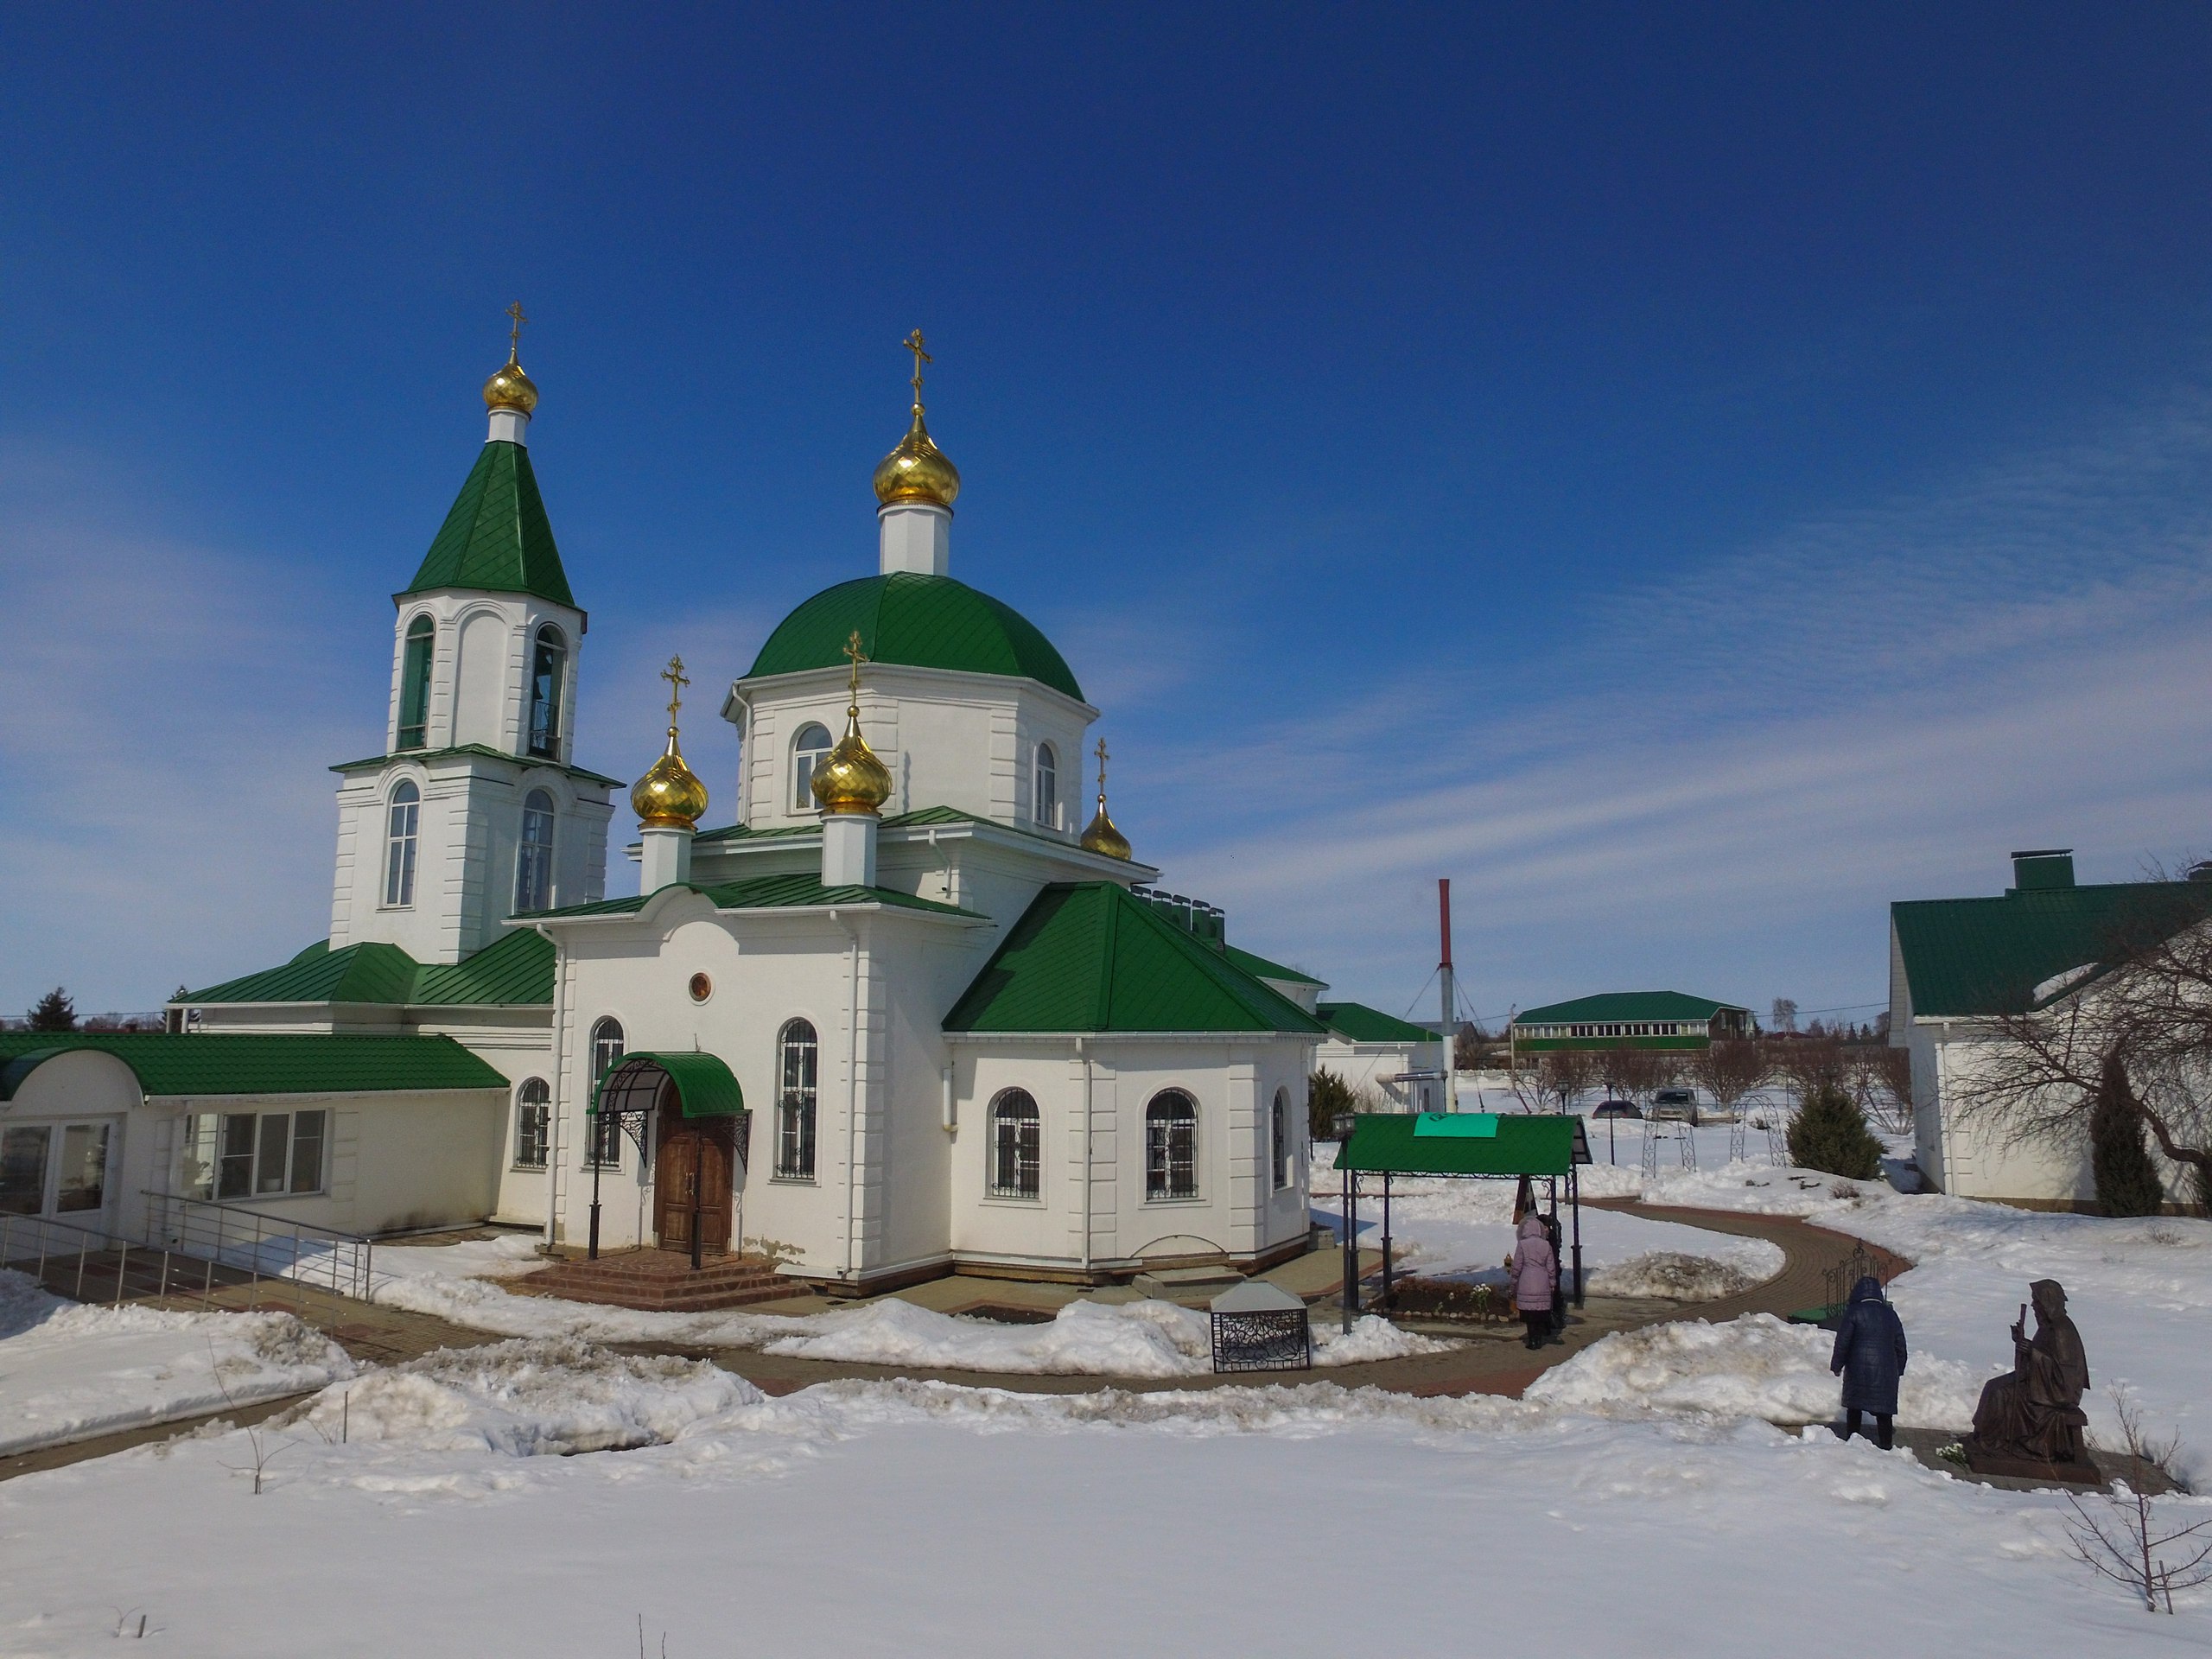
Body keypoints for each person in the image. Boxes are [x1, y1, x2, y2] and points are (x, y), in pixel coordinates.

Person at [1970, 1278, 2090, 1465]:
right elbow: (2042, 1359)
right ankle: (1984, 1437)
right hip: (2043, 1384)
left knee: (2001, 1393)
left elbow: (2065, 1375)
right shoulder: (2048, 1328)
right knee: (1993, 1385)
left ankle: (1995, 1443)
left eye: (2037, 1301)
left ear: (2047, 1303)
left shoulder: (2061, 1331)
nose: (2034, 1305)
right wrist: (2022, 1342)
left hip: (2058, 1393)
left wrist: (2032, 1352)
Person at [1829, 1274, 1908, 1449]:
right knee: (1884, 1410)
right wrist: (1899, 1368)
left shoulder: (1854, 1312)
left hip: (1857, 1369)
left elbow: (1843, 1342)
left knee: (1854, 1408)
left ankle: (1852, 1441)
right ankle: (1886, 1445)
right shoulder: (1890, 1314)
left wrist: (1837, 1365)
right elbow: (1900, 1344)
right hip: (1886, 1371)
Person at [1511, 1213, 1555, 1351]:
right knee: (1539, 1312)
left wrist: (1514, 1282)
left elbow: (1517, 1266)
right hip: (1542, 1280)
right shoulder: (1546, 1245)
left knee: (1529, 1314)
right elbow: (1551, 1267)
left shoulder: (1522, 1245)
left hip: (1526, 1280)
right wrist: (1552, 1282)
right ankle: (1539, 1338)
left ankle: (1532, 1340)